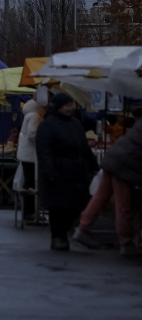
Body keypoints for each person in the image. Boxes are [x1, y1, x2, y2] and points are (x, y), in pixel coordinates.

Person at [35, 93, 98, 252]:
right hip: (58, 173)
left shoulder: (75, 123)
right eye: (67, 105)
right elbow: (44, 151)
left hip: (77, 173)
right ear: (58, 107)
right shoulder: (48, 125)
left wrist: (93, 164)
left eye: (71, 104)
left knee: (77, 205)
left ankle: (64, 233)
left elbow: (84, 147)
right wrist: (49, 171)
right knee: (58, 208)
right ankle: (58, 237)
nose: (70, 108)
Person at [74, 118, 142, 257]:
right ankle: (126, 242)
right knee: (123, 204)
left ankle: (83, 228)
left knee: (100, 197)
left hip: (115, 157)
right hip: (126, 164)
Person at [17, 98, 45, 216]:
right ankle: (30, 211)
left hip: (26, 154)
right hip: (32, 155)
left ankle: (28, 211)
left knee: (29, 182)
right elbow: (32, 134)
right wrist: (43, 144)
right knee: (32, 183)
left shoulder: (30, 114)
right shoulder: (35, 116)